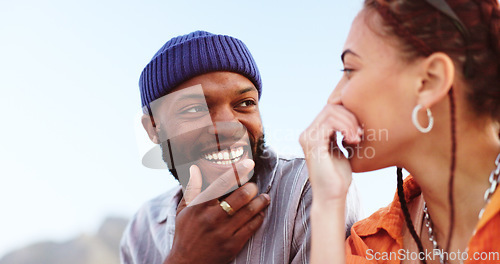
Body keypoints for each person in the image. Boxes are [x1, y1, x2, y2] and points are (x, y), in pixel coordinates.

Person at [120, 30, 361, 264]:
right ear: (153, 129)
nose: (229, 126)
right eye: (194, 109)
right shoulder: (142, 229)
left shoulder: (311, 187)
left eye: (245, 103)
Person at [299, 0, 500, 263]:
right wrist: (327, 201)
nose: (332, 99)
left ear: (429, 82)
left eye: (350, 70)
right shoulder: (370, 245)